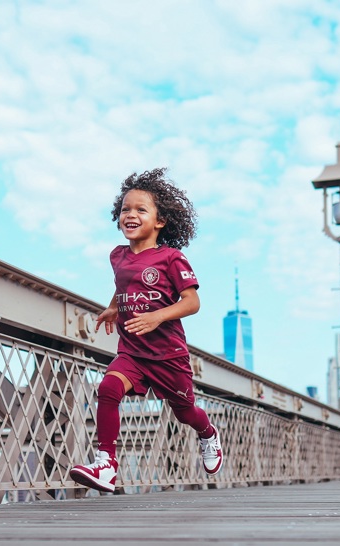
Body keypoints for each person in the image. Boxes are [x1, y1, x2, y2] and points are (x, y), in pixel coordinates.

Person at [69, 168, 223, 493]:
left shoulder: (171, 258)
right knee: (108, 388)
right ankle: (106, 465)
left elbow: (192, 302)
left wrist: (157, 317)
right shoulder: (117, 256)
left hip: (168, 355)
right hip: (133, 352)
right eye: (126, 209)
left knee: (185, 413)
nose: (131, 214)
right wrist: (113, 306)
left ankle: (208, 433)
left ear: (160, 221)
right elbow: (124, 283)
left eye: (141, 209)